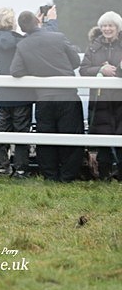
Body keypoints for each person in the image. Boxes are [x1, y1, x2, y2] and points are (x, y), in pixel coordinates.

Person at [11, 11, 83, 182]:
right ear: (38, 20)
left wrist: (35, 68)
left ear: (21, 28)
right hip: (67, 96)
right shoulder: (58, 37)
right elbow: (75, 62)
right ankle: (67, 176)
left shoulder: (23, 45)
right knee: (71, 138)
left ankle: (51, 176)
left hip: (44, 99)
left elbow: (16, 71)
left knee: (46, 139)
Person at [79, 11, 122, 181]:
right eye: (104, 26)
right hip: (100, 100)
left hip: (119, 101)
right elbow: (83, 70)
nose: (107, 29)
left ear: (117, 28)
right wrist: (100, 70)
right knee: (103, 140)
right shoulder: (93, 46)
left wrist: (118, 70)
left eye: (110, 25)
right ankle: (103, 177)